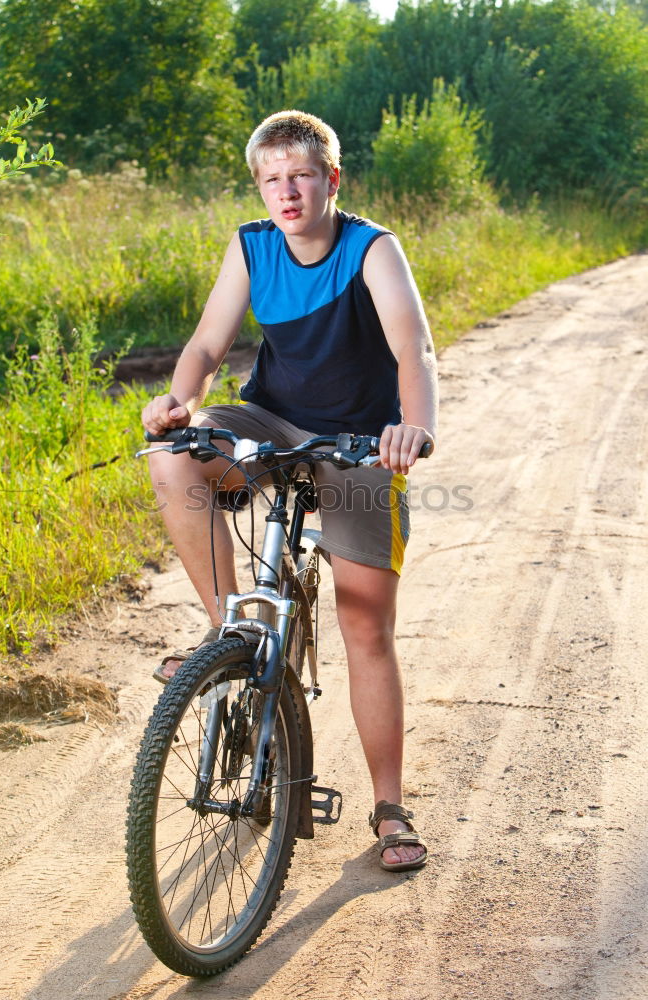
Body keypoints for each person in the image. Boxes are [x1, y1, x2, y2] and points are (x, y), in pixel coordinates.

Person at [141, 110, 438, 873]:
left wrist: (411, 427)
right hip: (271, 419)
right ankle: (228, 631)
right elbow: (209, 343)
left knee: (365, 622)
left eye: (301, 175)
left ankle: (389, 808)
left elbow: (414, 346)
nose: (287, 191)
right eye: (272, 178)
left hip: (361, 442)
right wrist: (178, 400)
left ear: (330, 179)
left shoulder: (373, 249)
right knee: (175, 452)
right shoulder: (251, 245)